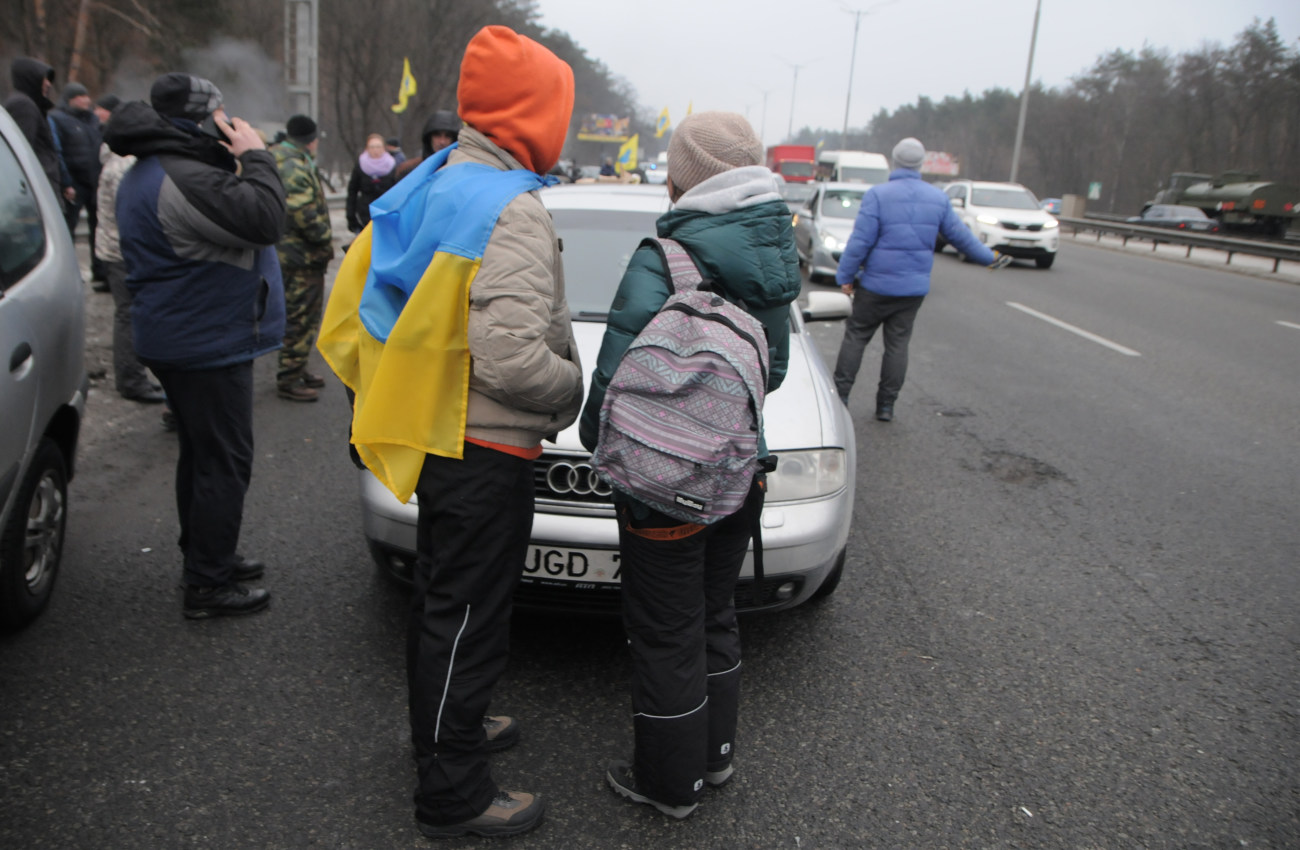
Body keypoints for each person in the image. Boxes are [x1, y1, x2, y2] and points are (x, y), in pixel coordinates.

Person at [318, 25, 582, 839]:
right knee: (467, 613)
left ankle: (446, 730)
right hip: (486, 441)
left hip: (435, 427)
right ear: (533, 113)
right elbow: (507, 354)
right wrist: (572, 388)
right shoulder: (511, 208)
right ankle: (453, 791)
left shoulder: (432, 178)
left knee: (441, 601)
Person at [578, 111, 801, 819]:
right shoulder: (774, 252)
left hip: (666, 490)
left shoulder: (664, 256)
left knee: (665, 631)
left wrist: (601, 442)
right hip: (741, 473)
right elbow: (778, 368)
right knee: (713, 613)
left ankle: (670, 787)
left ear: (682, 178)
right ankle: (714, 758)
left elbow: (616, 377)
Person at [105, 72, 286, 619]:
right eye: (220, 112)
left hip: (183, 334)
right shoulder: (184, 177)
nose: (228, 120)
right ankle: (207, 585)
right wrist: (255, 157)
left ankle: (208, 554)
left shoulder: (155, 169)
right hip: (205, 341)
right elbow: (265, 218)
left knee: (203, 456)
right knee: (225, 462)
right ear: (202, 116)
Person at [832, 137, 1007, 422]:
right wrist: (991, 258)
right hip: (912, 289)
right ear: (920, 163)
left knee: (856, 336)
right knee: (898, 345)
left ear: (894, 160)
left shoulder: (878, 195)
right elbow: (961, 237)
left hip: (875, 285)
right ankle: (886, 406)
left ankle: (840, 399)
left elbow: (860, 242)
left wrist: (845, 277)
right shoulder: (937, 198)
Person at [95, 97, 164, 404]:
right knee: (129, 316)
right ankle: (131, 379)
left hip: (118, 249)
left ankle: (133, 375)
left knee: (129, 314)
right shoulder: (125, 166)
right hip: (124, 253)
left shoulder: (116, 160)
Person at [271, 114, 334, 402]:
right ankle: (290, 377)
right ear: (310, 139)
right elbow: (303, 212)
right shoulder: (293, 165)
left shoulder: (282, 157)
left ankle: (298, 366)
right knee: (301, 315)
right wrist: (323, 238)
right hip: (300, 256)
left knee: (300, 314)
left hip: (290, 253)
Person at [4, 58, 66, 204]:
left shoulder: (29, 104)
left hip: (41, 185)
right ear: (31, 78)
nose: (48, 84)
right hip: (38, 189)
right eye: (45, 79)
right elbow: (22, 151)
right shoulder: (24, 105)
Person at [48, 82, 102, 239]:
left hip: (94, 182)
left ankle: (99, 264)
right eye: (81, 97)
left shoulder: (93, 119)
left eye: (86, 96)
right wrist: (66, 182)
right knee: (68, 226)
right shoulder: (57, 119)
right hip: (74, 183)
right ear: (70, 99)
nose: (86, 100)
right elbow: (57, 152)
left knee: (98, 230)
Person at [345, 133, 396, 233]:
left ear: (384, 148)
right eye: (372, 147)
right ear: (367, 148)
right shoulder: (360, 165)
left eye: (378, 147)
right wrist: (351, 216)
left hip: (387, 214)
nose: (375, 150)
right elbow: (352, 191)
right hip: (365, 215)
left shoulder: (392, 165)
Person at [392, 109, 462, 181]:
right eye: (437, 135)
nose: (442, 141)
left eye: (447, 136)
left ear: (454, 140)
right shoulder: (410, 171)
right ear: (429, 138)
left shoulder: (461, 171)